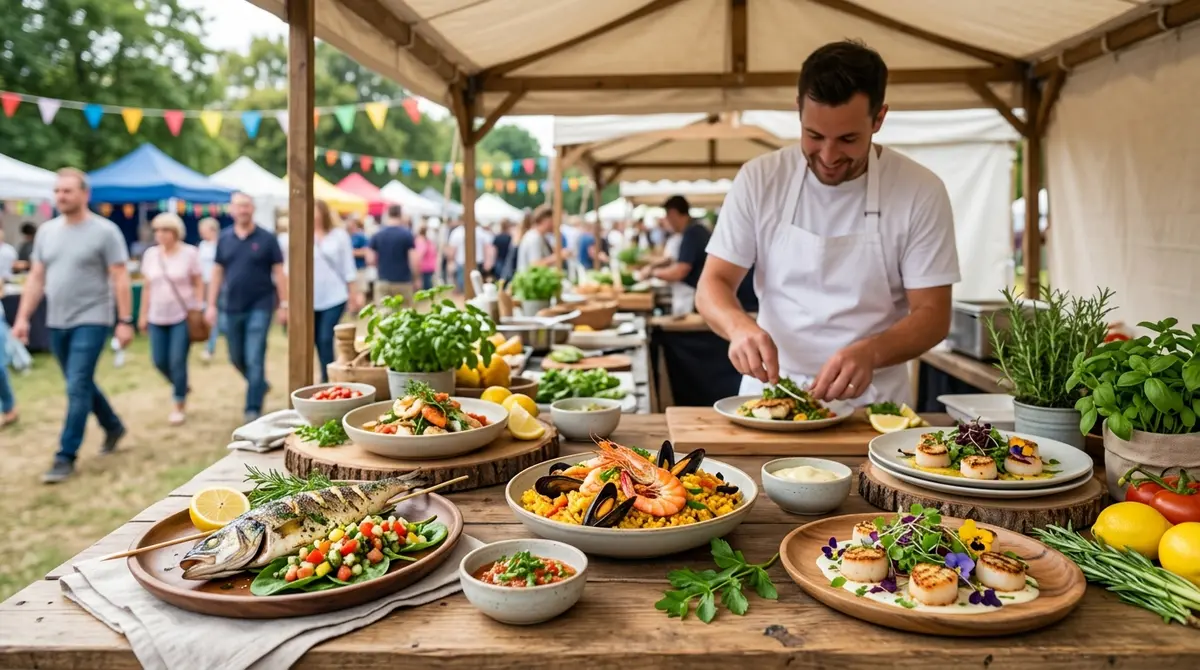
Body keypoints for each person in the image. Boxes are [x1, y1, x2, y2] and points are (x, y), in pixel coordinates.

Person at [696, 40, 959, 408]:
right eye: (814, 136)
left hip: (872, 403)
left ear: (878, 119)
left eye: (848, 139)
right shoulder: (760, 178)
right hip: (770, 395)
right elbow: (713, 283)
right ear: (798, 111)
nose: (829, 156)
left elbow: (933, 314)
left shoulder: (920, 190)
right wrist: (738, 327)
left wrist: (871, 352)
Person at [12, 168, 132, 483]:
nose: (61, 196)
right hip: (57, 320)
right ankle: (113, 425)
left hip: (92, 318)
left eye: (67, 191)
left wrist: (125, 320)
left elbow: (120, 277)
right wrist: (23, 317)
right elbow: (36, 278)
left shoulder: (105, 231)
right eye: (58, 191)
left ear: (84, 194)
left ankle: (65, 455)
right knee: (80, 384)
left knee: (76, 385)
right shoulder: (47, 232)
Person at [205, 192, 287, 423]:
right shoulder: (224, 238)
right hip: (232, 306)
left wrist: (284, 304)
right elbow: (217, 271)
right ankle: (259, 384)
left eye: (247, 206)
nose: (243, 210)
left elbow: (280, 272)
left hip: (261, 304)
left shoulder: (267, 238)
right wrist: (211, 304)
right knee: (235, 357)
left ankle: (252, 408)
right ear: (231, 210)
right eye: (239, 206)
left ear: (253, 209)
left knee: (254, 356)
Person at [139, 213, 203, 425]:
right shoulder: (150, 255)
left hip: (181, 315)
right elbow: (147, 287)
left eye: (165, 230)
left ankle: (178, 403)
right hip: (157, 315)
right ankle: (181, 385)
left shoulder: (189, 253)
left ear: (175, 233)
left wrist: (198, 306)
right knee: (159, 360)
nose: (161, 235)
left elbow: (198, 281)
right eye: (157, 230)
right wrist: (142, 315)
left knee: (177, 360)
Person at [312, 200, 363, 382]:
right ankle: (325, 370)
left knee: (326, 337)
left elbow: (348, 267)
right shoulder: (303, 234)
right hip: (311, 297)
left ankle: (328, 376)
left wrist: (353, 294)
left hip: (334, 294)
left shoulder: (338, 235)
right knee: (315, 338)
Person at [636, 196, 708, 315]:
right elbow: (672, 260)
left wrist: (653, 273)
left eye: (667, 216)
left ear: (673, 213)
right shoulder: (694, 230)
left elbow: (680, 271)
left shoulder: (692, 233)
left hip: (693, 296)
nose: (667, 220)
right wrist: (652, 266)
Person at [368, 204, 419, 306]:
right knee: (405, 315)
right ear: (400, 214)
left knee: (384, 316)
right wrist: (417, 278)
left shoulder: (377, 234)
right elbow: (414, 260)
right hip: (403, 281)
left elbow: (370, 259)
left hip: (383, 280)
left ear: (387, 214)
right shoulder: (407, 234)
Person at [196, 217, 222, 362]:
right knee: (210, 316)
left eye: (204, 231)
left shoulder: (221, 245)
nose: (202, 234)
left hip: (218, 284)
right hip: (205, 284)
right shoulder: (202, 245)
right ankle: (209, 346)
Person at [447, 218, 495, 291]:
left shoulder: (457, 232)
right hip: (464, 263)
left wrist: (450, 261)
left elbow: (487, 248)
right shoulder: (458, 232)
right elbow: (452, 250)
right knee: (468, 287)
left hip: (475, 263)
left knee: (475, 287)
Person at [516, 206, 567, 272]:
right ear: (547, 220)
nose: (558, 224)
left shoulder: (540, 237)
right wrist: (558, 256)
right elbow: (535, 265)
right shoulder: (534, 238)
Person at [413, 222, 438, 290]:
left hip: (427, 268)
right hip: (425, 268)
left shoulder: (424, 240)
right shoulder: (422, 241)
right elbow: (420, 255)